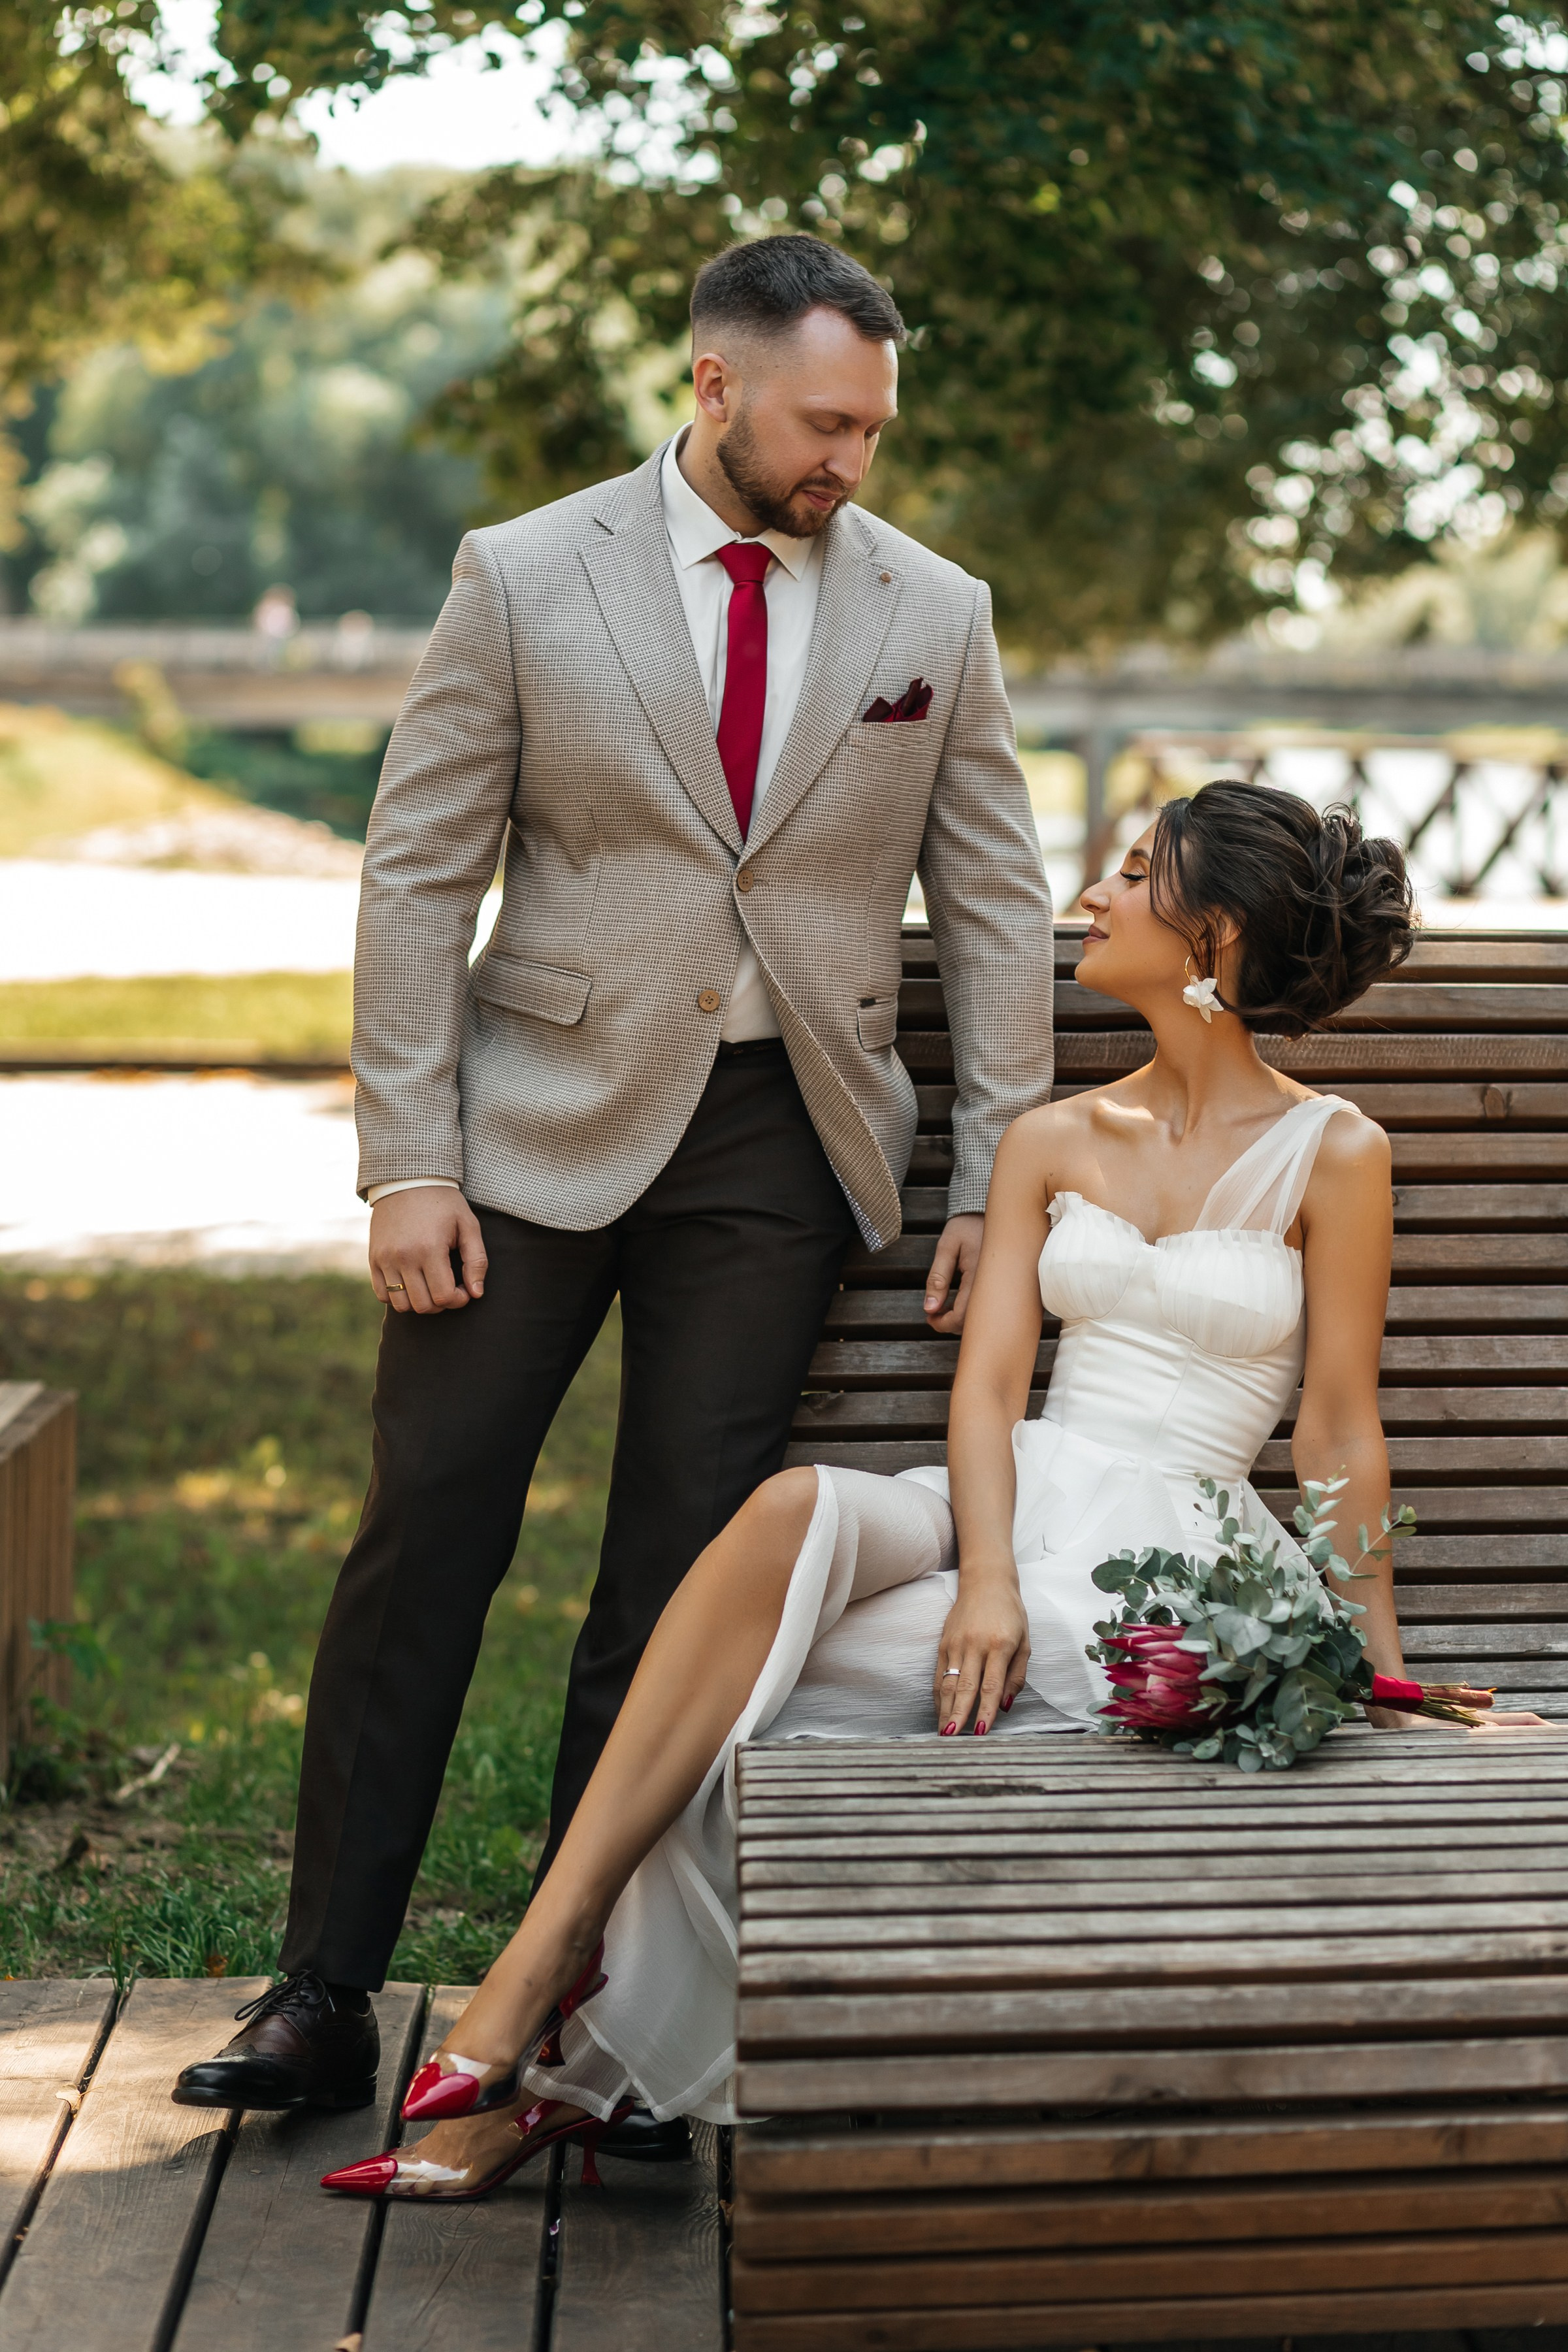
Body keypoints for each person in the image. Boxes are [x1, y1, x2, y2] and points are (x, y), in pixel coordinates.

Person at [323, 777, 1541, 2204]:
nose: (1095, 892)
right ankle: (539, 1975)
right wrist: (985, 1579)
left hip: (1176, 1557)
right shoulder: (1053, 1140)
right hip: (1010, 1502)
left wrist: (1379, 1668)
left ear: (1212, 939)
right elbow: (989, 1391)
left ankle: (542, 2061)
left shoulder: (1336, 1151)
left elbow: (1337, 1421)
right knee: (785, 1526)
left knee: (726, 1692)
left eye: (1138, 873)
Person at [171, 233, 1054, 2121]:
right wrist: (409, 1159)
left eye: (877, 429)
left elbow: (992, 908)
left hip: (784, 1146)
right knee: (428, 1541)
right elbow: (418, 874)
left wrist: (998, 1173)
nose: (853, 462)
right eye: (827, 421)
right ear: (716, 386)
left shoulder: (936, 612)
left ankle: (567, 2002)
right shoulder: (521, 574)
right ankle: (322, 1993)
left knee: (666, 1591)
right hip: (526, 1130)